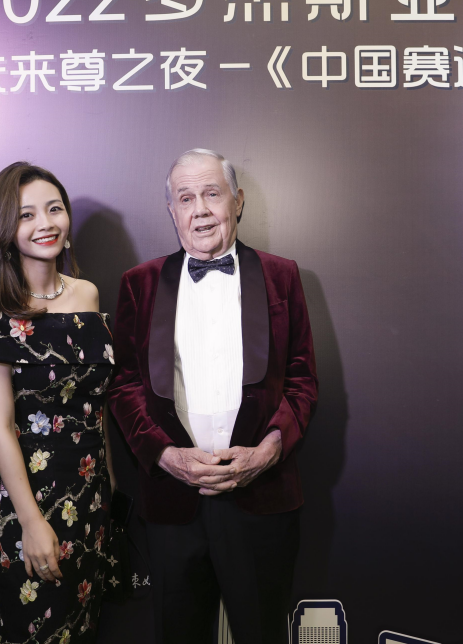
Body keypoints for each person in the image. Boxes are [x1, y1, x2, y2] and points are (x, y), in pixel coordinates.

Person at [108, 148, 318, 644]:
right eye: (186, 198)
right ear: (172, 211)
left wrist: (268, 451)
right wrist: (165, 456)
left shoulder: (282, 275)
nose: (200, 210)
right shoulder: (139, 284)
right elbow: (124, 385)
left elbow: (302, 380)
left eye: (211, 194)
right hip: (172, 501)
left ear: (237, 202)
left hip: (261, 496)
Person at [0, 162, 122, 643]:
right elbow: (0, 428)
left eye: (54, 209)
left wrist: (111, 484)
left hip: (92, 498)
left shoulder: (87, 294)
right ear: (4, 228)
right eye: (26, 214)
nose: (45, 223)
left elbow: (96, 402)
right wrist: (32, 524)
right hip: (30, 500)